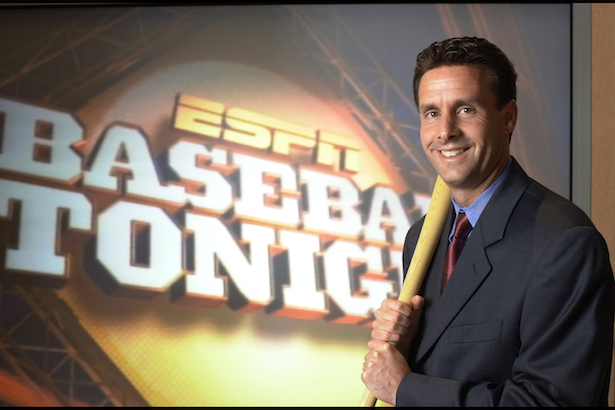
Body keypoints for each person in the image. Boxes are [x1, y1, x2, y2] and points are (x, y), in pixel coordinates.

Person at [360, 37, 615, 407]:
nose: (445, 131)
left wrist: (405, 389)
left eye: (465, 110)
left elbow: (554, 402)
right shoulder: (423, 237)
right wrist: (408, 344)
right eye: (431, 113)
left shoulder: (565, 243)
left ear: (508, 117)